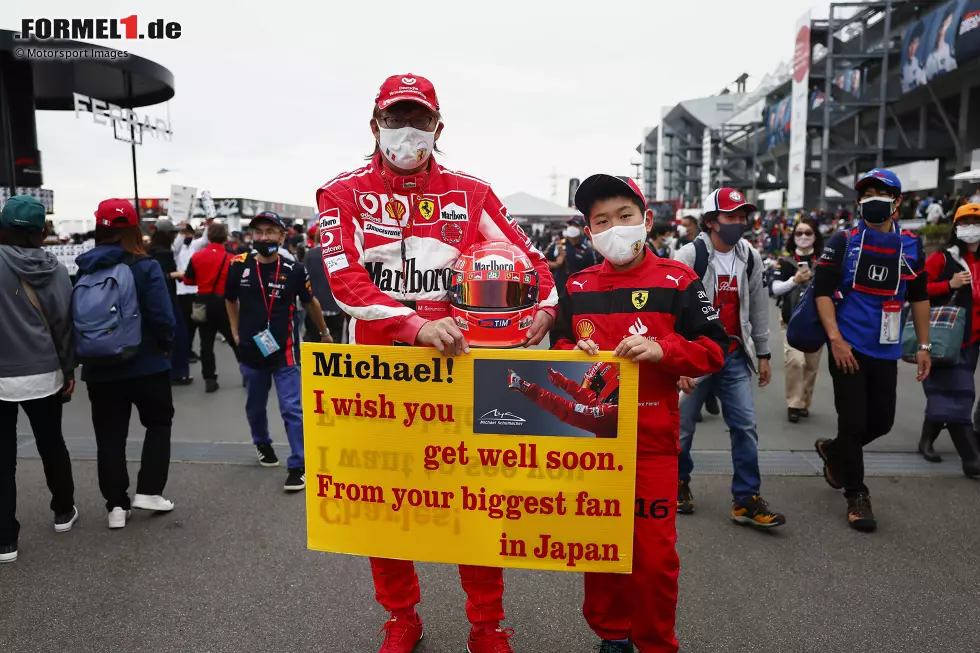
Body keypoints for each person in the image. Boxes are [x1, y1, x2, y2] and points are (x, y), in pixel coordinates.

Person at [316, 73, 558, 653]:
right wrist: (414, 325)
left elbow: (533, 263)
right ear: (374, 124)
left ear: (438, 127)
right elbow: (344, 282)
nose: (407, 130)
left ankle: (487, 625)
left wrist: (546, 305)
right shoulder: (339, 192)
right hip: (373, 377)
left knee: (474, 504)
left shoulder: (471, 192)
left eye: (419, 119)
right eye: (396, 118)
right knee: (382, 511)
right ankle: (401, 618)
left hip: (460, 375)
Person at [551, 174, 726, 652]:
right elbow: (559, 346)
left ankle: (655, 643)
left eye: (624, 216)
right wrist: (574, 350)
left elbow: (714, 348)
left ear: (646, 220)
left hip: (651, 444)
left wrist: (663, 350)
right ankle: (612, 634)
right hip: (593, 445)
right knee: (600, 549)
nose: (614, 228)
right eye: (600, 221)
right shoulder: (578, 285)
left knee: (654, 559)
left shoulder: (678, 279)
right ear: (589, 231)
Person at [812, 169, 931, 532]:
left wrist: (924, 345)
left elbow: (919, 296)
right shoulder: (843, 241)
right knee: (853, 421)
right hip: (847, 346)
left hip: (886, 347)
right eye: (866, 193)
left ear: (897, 201)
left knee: (881, 421)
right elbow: (822, 292)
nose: (873, 198)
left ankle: (835, 450)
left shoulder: (910, 244)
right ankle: (857, 495)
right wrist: (835, 339)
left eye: (881, 192)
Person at [673, 188, 786, 529]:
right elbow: (670, 314)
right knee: (681, 428)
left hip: (734, 354)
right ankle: (678, 483)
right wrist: (678, 364)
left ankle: (746, 499)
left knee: (746, 427)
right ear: (711, 222)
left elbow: (759, 309)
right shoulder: (688, 257)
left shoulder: (749, 255)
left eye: (742, 217)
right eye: (731, 217)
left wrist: (763, 353)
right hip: (694, 356)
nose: (739, 222)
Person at [75, 199, 176, 529]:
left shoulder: (85, 269)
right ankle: (149, 490)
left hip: (99, 369)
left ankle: (116, 506)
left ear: (99, 229)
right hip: (146, 363)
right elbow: (163, 317)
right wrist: (165, 348)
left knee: (109, 437)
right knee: (158, 424)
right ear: (135, 229)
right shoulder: (145, 267)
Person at [225, 211, 331, 492]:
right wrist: (235, 332)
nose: (263, 237)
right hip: (250, 350)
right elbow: (229, 299)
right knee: (255, 406)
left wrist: (324, 332)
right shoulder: (239, 266)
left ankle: (298, 464)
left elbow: (310, 303)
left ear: (282, 236)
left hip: (284, 352)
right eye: (258, 232)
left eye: (270, 232)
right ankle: (262, 443)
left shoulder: (293, 269)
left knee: (292, 408)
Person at [0, 196, 77, 563]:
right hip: (45, 372)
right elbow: (63, 324)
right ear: (43, 231)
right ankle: (63, 510)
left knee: (3, 458)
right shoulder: (55, 270)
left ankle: (5, 539)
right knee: (52, 444)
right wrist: (69, 369)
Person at [918, 203, 980, 475]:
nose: (970, 229)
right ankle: (971, 459)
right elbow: (918, 290)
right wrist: (949, 285)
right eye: (964, 223)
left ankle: (926, 440)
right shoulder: (942, 259)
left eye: (975, 223)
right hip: (945, 337)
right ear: (955, 228)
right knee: (961, 394)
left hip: (973, 340)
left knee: (950, 393)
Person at [771, 217, 823, 422]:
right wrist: (794, 280)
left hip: (817, 320)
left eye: (808, 233)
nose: (803, 237)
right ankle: (794, 403)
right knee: (795, 361)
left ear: (815, 236)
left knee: (811, 365)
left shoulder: (825, 260)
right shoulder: (785, 261)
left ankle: (804, 402)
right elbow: (774, 289)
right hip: (790, 318)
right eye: (799, 233)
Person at [184, 223, 239, 393]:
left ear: (208, 237)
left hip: (203, 301)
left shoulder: (197, 256)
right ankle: (247, 372)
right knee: (234, 338)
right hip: (225, 303)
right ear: (225, 237)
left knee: (206, 343)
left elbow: (188, 281)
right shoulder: (232, 258)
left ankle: (209, 378)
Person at [149, 220, 192, 386]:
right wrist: (176, 274)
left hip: (160, 297)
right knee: (179, 334)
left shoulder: (151, 250)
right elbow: (162, 275)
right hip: (168, 297)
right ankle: (178, 372)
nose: (175, 236)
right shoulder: (163, 252)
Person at [304, 242, 346, 344]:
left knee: (314, 345)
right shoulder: (341, 255)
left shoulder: (310, 254)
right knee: (334, 347)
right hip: (335, 307)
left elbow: (304, 279)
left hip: (313, 309)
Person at [174, 223, 202, 363]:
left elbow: (206, 239)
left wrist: (209, 222)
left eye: (190, 233)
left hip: (195, 290)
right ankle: (184, 352)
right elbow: (178, 242)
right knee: (184, 323)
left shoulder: (194, 247)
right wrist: (181, 228)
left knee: (193, 324)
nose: (188, 236)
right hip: (181, 291)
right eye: (185, 234)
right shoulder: (177, 249)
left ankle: (189, 350)